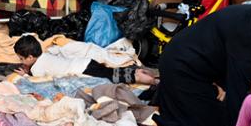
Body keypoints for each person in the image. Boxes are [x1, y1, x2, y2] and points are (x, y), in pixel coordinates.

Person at [13, 35, 158, 85]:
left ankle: (141, 78)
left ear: (31, 57)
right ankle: (139, 72)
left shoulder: (37, 68)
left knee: (114, 77)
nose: (20, 61)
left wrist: (25, 76)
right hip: (86, 62)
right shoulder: (45, 55)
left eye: (21, 58)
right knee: (112, 71)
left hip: (83, 69)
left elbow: (39, 81)